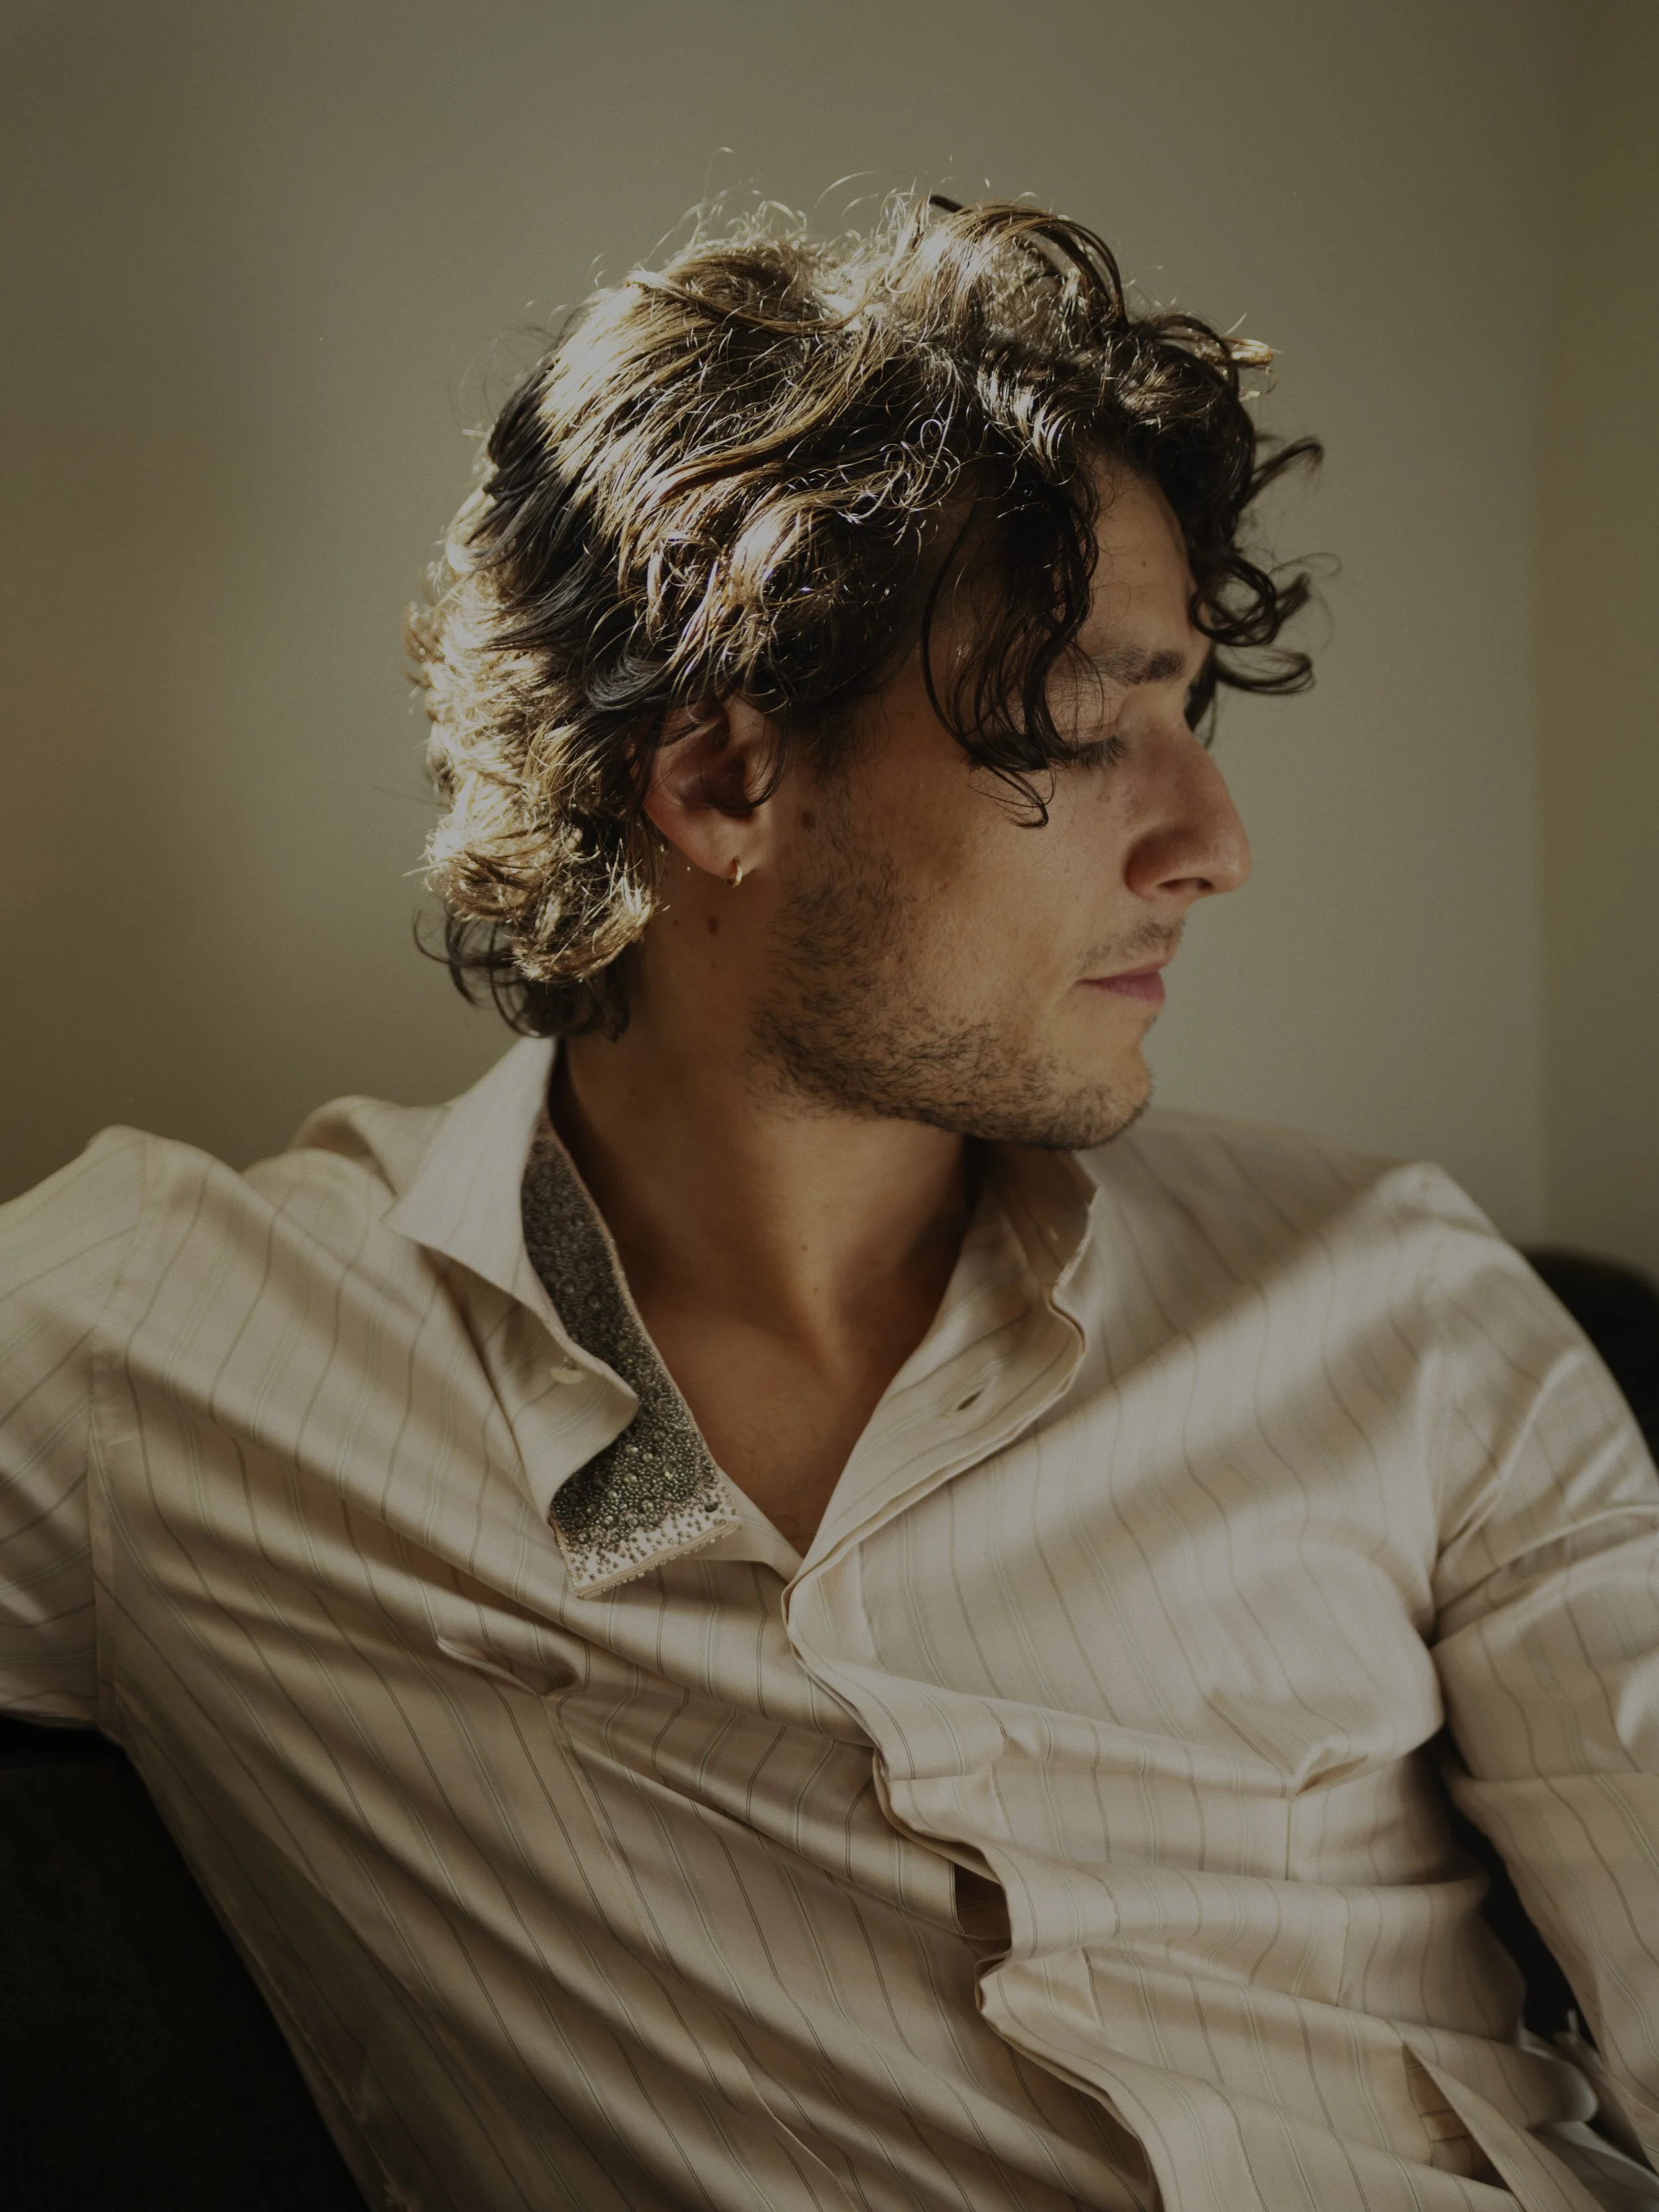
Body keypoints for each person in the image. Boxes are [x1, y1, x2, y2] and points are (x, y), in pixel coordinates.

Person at [3, 196, 1657, 2212]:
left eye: (1190, 715)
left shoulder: (1393, 1297)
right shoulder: (159, 1352)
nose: (1211, 843)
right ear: (714, 783)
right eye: (1078, 722)